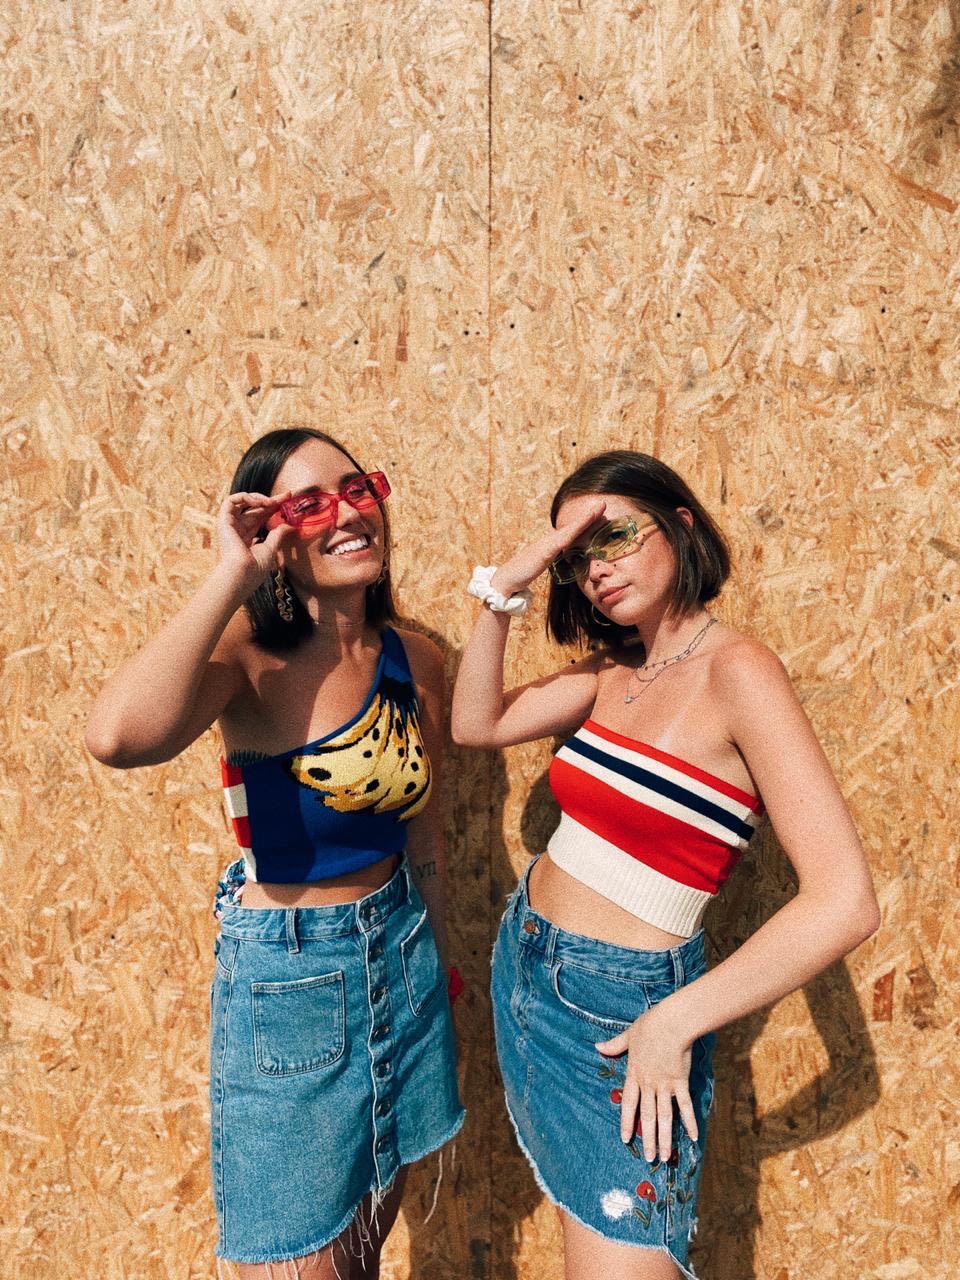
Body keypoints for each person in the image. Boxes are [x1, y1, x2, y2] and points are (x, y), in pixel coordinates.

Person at [451, 450, 879, 1280]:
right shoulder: (615, 670)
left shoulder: (739, 671)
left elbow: (845, 901)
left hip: (624, 1014)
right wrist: (509, 586)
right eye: (577, 557)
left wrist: (674, 1021)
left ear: (681, 526)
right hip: (529, 971)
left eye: (613, 537)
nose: (595, 569)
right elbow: (476, 724)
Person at [86, 427, 464, 1279]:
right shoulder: (247, 657)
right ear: (274, 537)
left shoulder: (418, 660)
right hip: (294, 984)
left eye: (358, 489)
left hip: (402, 957)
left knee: (364, 1255)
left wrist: (439, 968)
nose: (348, 513)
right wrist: (232, 575)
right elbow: (116, 737)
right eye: (310, 504)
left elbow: (424, 835)